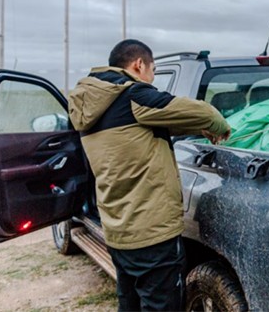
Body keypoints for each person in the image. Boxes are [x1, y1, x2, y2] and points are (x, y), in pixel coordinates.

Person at [68, 39, 231, 311]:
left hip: (118, 228)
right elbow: (206, 112)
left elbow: (132, 135)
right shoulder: (134, 96)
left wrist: (186, 128)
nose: (152, 78)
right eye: (152, 71)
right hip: (152, 233)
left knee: (130, 302)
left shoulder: (90, 103)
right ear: (139, 64)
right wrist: (220, 127)